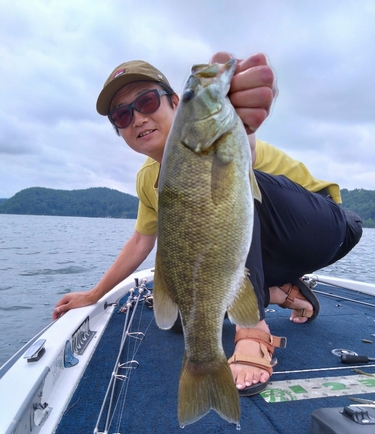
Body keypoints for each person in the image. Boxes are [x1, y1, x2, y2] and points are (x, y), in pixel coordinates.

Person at [53, 52, 362, 396]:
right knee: (181, 311)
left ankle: (252, 329)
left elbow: (241, 145)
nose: (138, 118)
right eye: (123, 115)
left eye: (147, 101)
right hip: (272, 254)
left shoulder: (223, 140)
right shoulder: (148, 178)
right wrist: (94, 295)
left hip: (330, 227)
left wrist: (240, 119)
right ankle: (282, 291)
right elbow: (141, 241)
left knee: (229, 186)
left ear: (175, 103)